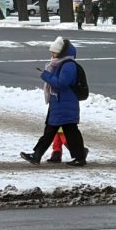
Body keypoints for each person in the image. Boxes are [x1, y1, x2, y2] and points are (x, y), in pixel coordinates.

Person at [20, 36, 88, 167]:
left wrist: (45, 75)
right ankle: (37, 155)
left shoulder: (68, 65)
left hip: (65, 104)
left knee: (67, 132)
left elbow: (61, 84)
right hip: (59, 104)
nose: (52, 54)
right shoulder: (60, 64)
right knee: (54, 131)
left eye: (55, 52)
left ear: (63, 53)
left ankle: (79, 157)